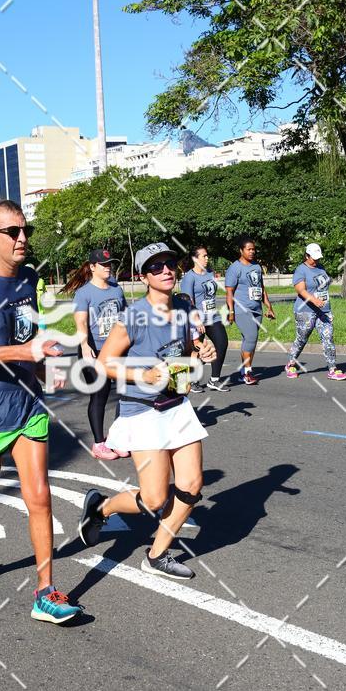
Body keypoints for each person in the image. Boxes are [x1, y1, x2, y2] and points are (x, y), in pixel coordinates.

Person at [0, 198, 81, 625]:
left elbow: (29, 332)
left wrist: (45, 361)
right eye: (12, 232)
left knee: (39, 497)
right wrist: (24, 350)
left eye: (26, 231)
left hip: (27, 404)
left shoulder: (27, 278)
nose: (23, 238)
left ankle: (45, 592)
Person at [78, 241, 216, 580]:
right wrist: (141, 373)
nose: (166, 270)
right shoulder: (132, 317)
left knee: (191, 486)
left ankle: (157, 555)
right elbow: (104, 363)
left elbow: (184, 351)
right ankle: (101, 508)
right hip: (142, 409)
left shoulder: (183, 308)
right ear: (144, 277)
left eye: (170, 263)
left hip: (176, 403)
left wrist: (201, 351)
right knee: (154, 499)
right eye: (156, 267)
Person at [62, 249, 128, 460]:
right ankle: (99, 444)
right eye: (103, 264)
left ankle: (116, 437)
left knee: (127, 392)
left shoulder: (116, 288)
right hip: (93, 349)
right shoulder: (84, 293)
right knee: (100, 394)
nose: (108, 267)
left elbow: (125, 315)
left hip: (117, 349)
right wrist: (84, 345)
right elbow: (80, 321)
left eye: (110, 264)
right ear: (92, 267)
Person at [285, 243, 346, 381]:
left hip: (323, 311)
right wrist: (315, 301)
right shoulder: (301, 270)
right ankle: (290, 364)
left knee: (328, 338)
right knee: (302, 339)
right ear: (306, 256)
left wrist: (325, 306)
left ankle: (332, 369)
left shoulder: (321, 268)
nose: (316, 260)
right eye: (314, 258)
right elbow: (301, 290)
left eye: (318, 257)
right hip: (305, 311)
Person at [225, 236, 275, 385]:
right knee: (251, 337)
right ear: (241, 250)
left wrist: (269, 306)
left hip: (256, 309)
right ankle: (248, 372)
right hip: (242, 309)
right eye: (249, 249)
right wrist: (231, 312)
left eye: (253, 249)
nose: (252, 252)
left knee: (250, 341)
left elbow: (261, 288)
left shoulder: (257, 267)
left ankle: (244, 371)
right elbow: (229, 292)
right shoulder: (235, 268)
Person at [181, 246, 230, 393]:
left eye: (207, 255)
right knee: (197, 350)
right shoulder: (189, 277)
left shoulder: (210, 273)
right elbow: (187, 301)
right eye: (204, 256)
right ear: (195, 259)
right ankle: (192, 379)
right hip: (197, 320)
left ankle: (214, 380)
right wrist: (196, 320)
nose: (207, 258)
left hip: (212, 316)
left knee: (222, 343)